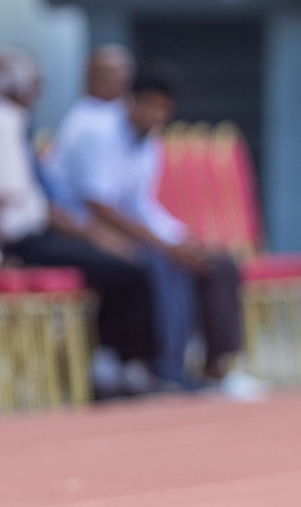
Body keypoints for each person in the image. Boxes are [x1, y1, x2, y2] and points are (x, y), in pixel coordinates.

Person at [0, 47, 159, 396]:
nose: (36, 95)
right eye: (35, 85)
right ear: (19, 87)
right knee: (127, 269)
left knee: (112, 258)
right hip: (13, 241)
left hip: (0, 235)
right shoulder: (3, 122)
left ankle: (110, 363)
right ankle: (115, 366)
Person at [44, 65, 258, 396]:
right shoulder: (97, 131)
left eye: (161, 109)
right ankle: (163, 366)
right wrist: (163, 245)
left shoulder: (148, 144)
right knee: (161, 264)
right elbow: (98, 205)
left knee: (217, 263)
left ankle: (217, 368)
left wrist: (180, 237)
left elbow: (142, 203)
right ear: (129, 102)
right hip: (80, 229)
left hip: (123, 229)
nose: (153, 115)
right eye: (147, 106)